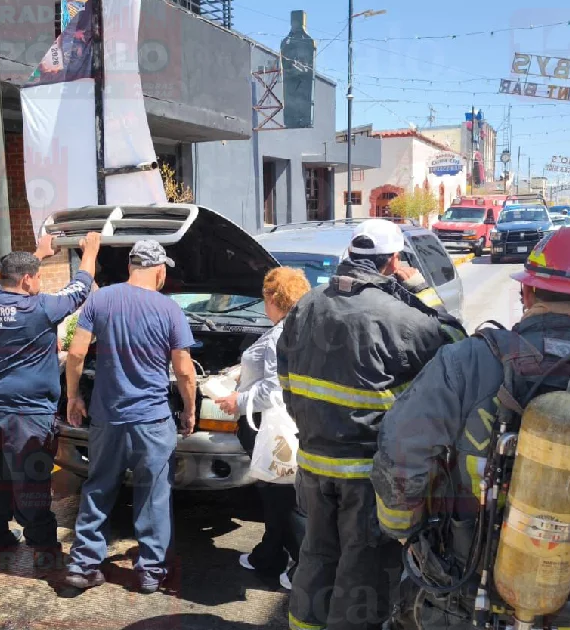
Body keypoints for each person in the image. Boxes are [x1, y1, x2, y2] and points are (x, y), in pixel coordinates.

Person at [373, 225, 570, 629]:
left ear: (527, 293)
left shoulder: (464, 363)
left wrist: (403, 528)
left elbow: (400, 451)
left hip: (475, 583)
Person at [276, 219, 466, 630]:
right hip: (367, 473)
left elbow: (286, 376)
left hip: (312, 463)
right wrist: (420, 291)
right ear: (393, 261)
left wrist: (310, 424)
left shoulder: (306, 305)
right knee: (361, 567)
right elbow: (457, 346)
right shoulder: (402, 317)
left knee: (316, 555)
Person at [63, 240, 198, 594]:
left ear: (129, 267)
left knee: (98, 487)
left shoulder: (100, 299)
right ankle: (150, 573)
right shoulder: (169, 309)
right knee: (153, 495)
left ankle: (82, 566)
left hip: (107, 418)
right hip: (152, 420)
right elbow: (184, 371)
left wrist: (74, 397)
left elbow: (76, 353)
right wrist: (189, 409)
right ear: (159, 271)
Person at [0, 232, 102, 570]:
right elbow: (81, 287)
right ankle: (43, 548)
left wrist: (38, 254)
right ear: (27, 280)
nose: (40, 281)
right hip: (27, 412)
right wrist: (90, 253)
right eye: (37, 275)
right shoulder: (42, 308)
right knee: (31, 479)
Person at [211, 267, 312, 591]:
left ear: (273, 298)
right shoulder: (299, 328)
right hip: (289, 423)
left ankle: (307, 572)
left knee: (282, 499)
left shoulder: (280, 336)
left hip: (269, 427)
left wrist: (237, 400)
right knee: (278, 496)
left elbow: (274, 388)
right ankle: (268, 556)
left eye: (264, 297)